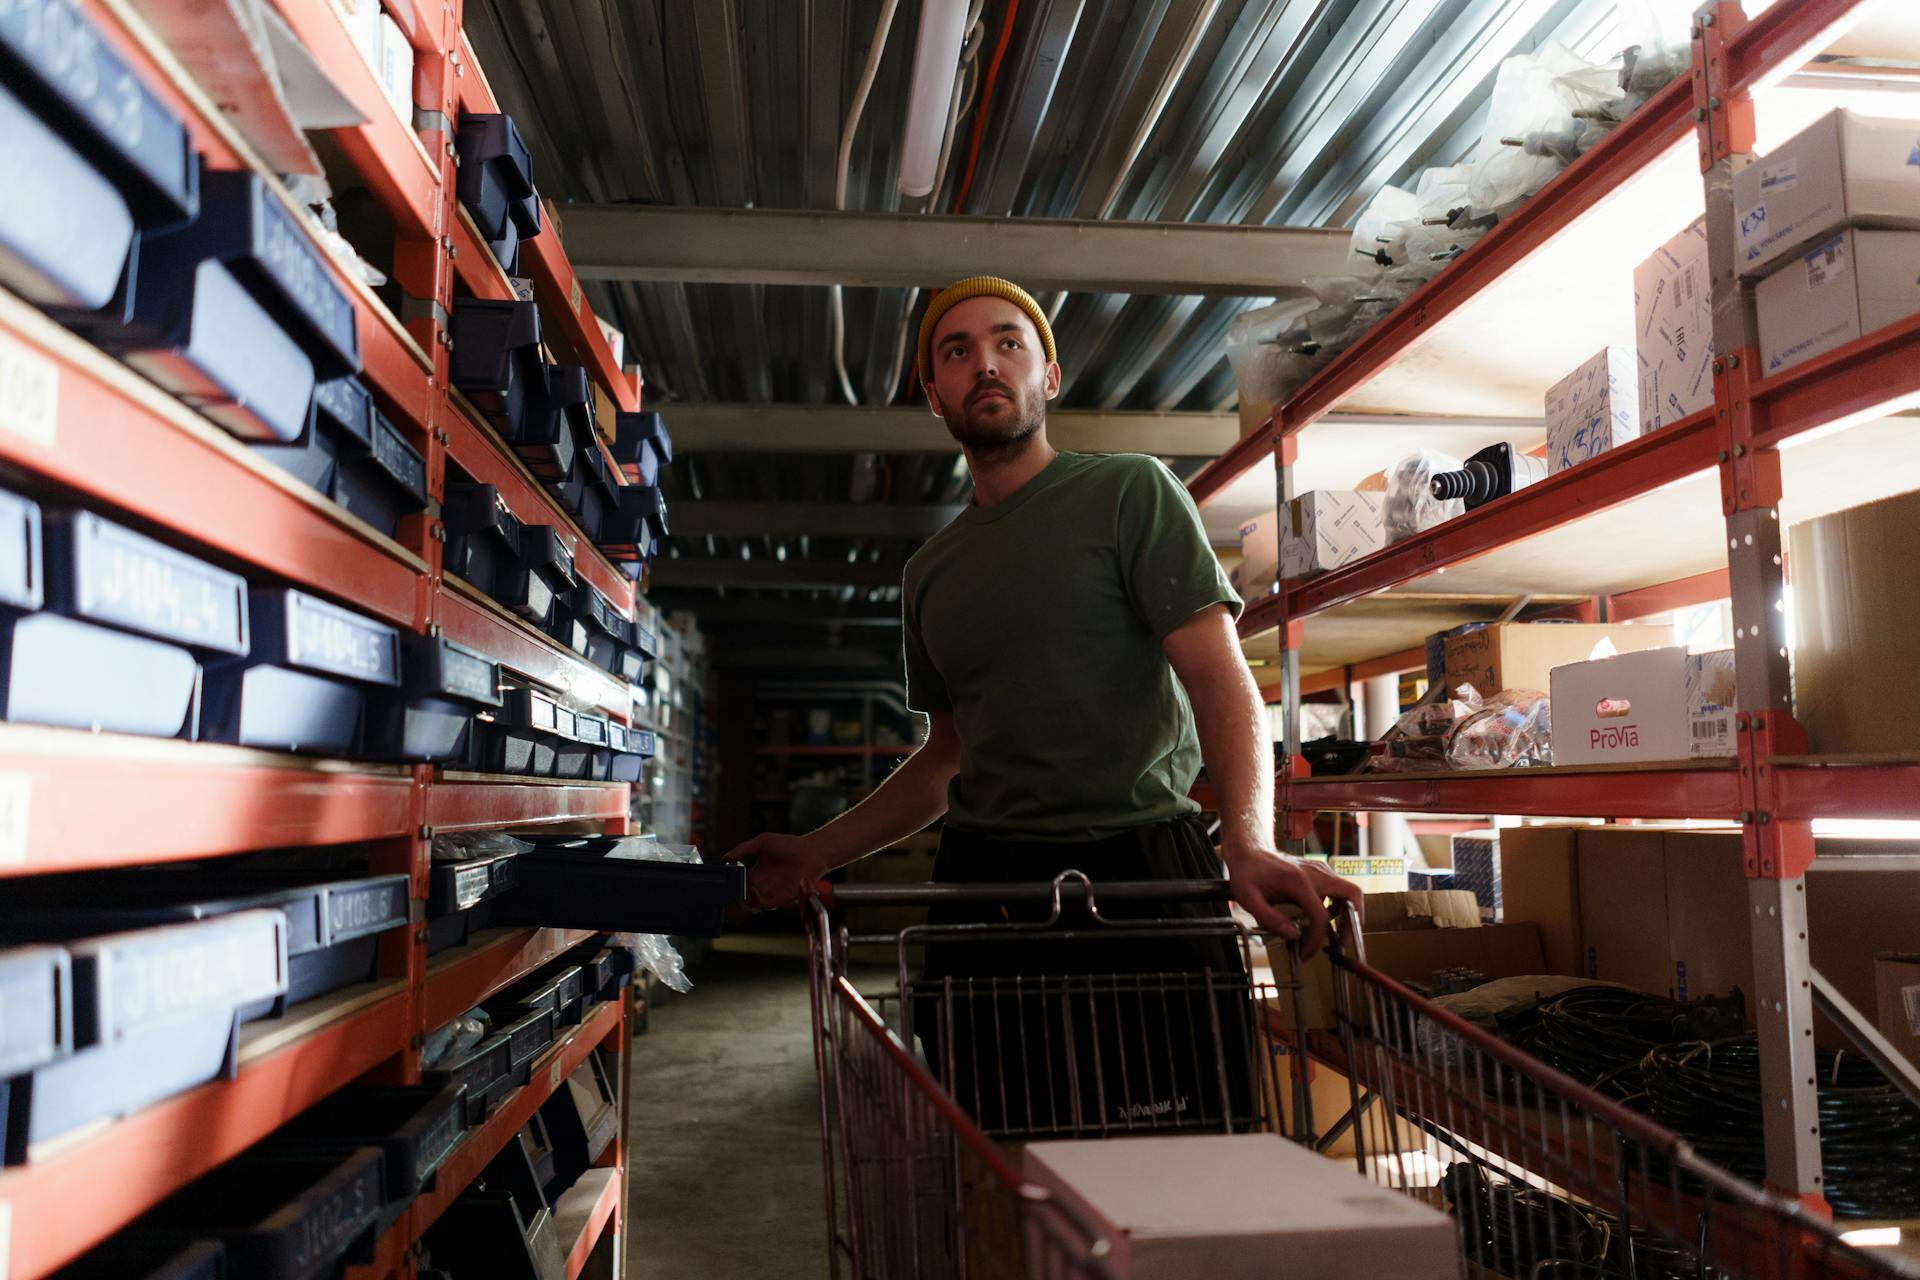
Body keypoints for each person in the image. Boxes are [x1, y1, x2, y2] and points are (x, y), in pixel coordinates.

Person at [724, 275, 1362, 1135]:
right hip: (988, 887)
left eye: (1007, 343)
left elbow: (1220, 678)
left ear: (1049, 378)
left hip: (1141, 875)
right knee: (1003, 1156)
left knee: (1179, 1157)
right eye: (957, 351)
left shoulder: (1129, 493)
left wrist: (1248, 840)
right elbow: (947, 757)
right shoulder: (931, 574)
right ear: (934, 393)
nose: (984, 363)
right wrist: (814, 852)